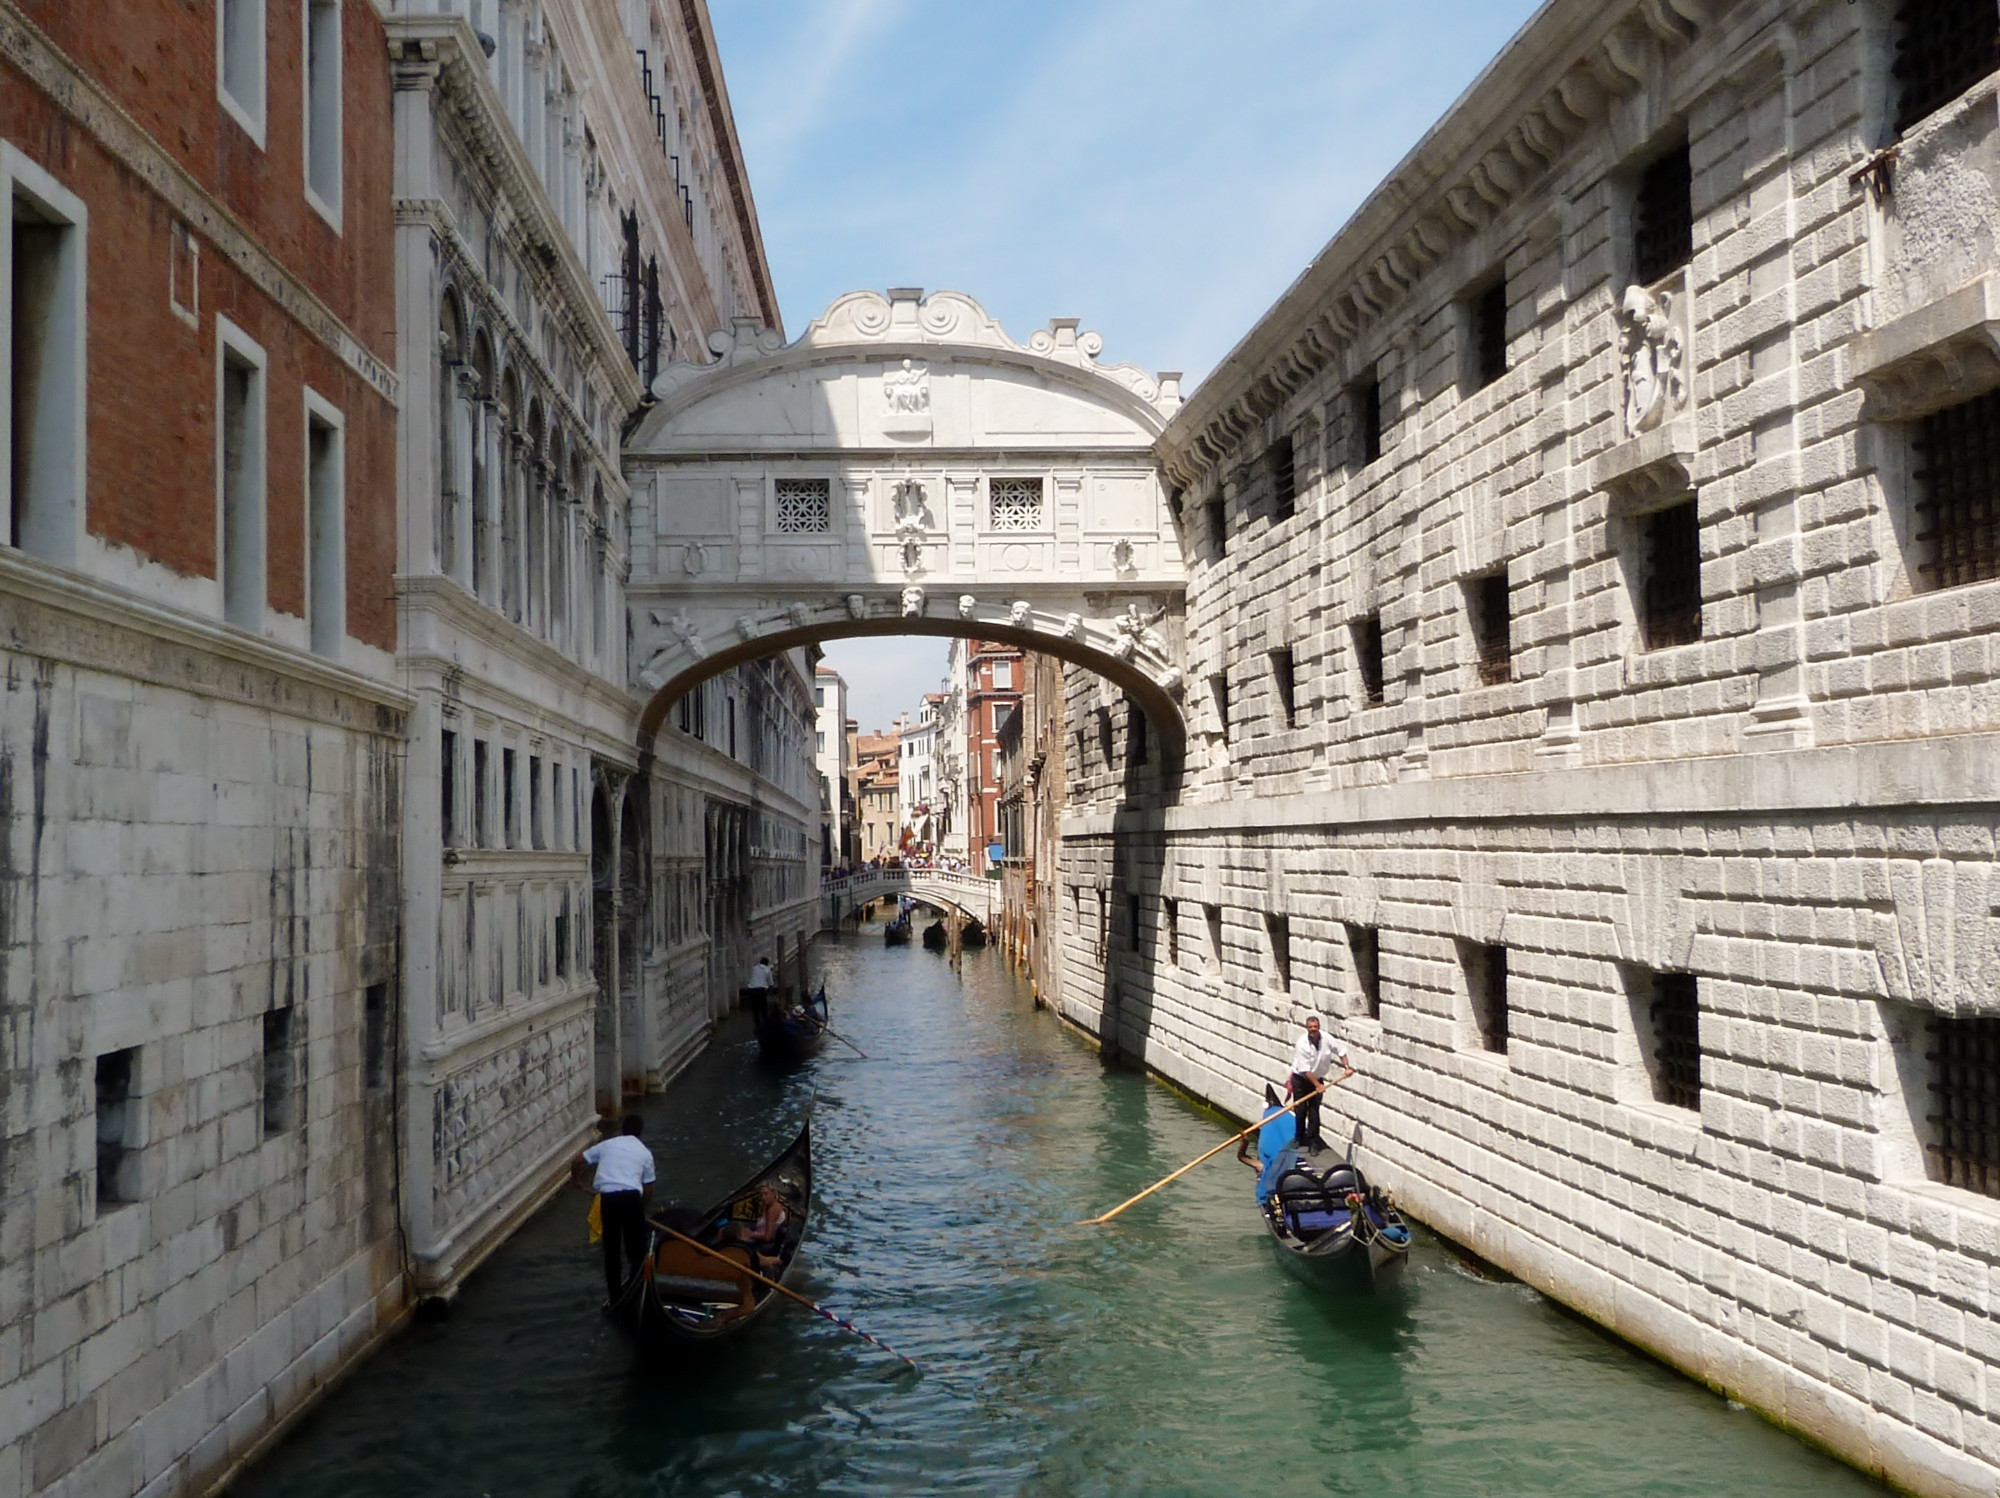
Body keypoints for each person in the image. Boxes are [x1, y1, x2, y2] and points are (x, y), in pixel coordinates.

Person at [576, 1115, 655, 1304]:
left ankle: (615, 1297)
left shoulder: (608, 1145)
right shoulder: (645, 1153)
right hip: (631, 1199)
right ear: (640, 1133)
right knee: (637, 1250)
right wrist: (640, 1210)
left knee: (611, 1251)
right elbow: (649, 1188)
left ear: (622, 1129)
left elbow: (577, 1161)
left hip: (609, 1200)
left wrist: (576, 1181)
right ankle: (636, 1290)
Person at [1287, 1015, 1352, 1152]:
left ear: (1319, 1027)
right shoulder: (1302, 1044)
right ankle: (1299, 1137)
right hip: (1301, 1079)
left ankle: (1313, 1142)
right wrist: (1317, 1085)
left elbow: (1341, 1051)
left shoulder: (1327, 1038)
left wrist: (1347, 1067)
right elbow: (1305, 1070)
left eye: (1315, 1027)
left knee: (1314, 1112)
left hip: (1317, 1079)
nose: (1313, 1029)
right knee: (1301, 1110)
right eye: (1310, 1027)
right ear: (1307, 1028)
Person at [1237, 1087, 1300, 1203]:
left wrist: (1245, 1142)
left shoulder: (1262, 1166)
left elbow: (1242, 1157)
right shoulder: (1262, 1166)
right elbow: (1242, 1157)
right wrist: (1245, 1142)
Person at [722, 1183, 789, 1272]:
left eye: (766, 1194)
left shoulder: (773, 1210)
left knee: (728, 1236)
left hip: (761, 1241)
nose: (763, 1197)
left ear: (774, 1193)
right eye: (761, 1194)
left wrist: (750, 1234)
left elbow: (767, 1238)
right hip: (758, 1234)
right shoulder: (771, 1207)